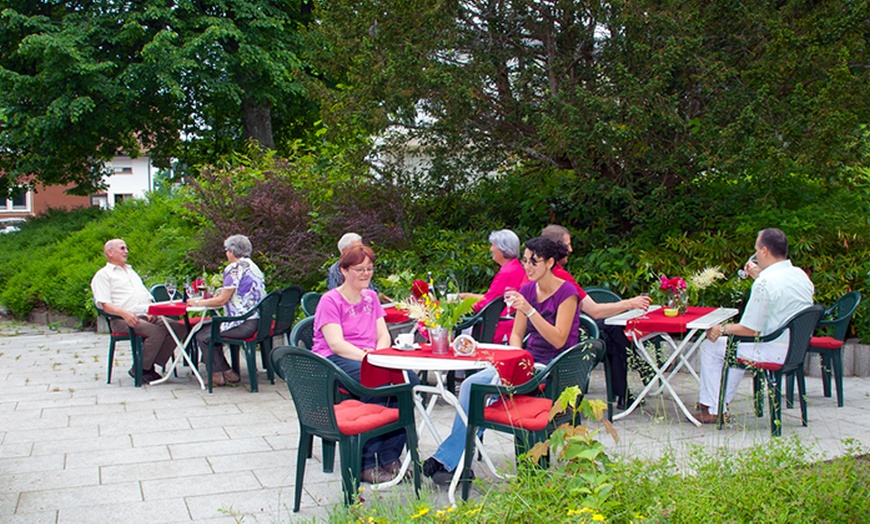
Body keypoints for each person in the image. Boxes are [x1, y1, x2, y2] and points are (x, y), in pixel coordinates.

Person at [423, 236, 580, 486]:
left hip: (554, 368)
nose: (527, 267)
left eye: (534, 262)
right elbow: (517, 334)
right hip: (527, 364)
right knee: (470, 385)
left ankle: (450, 461)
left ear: (550, 262)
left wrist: (530, 311)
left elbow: (559, 339)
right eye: (526, 260)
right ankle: (456, 461)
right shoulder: (528, 289)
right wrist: (517, 359)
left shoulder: (567, 293)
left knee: (485, 390)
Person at [312, 244, 418, 484]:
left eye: (369, 269)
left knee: (409, 380)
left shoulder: (371, 297)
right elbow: (336, 344)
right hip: (336, 359)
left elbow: (384, 335)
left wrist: (379, 356)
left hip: (369, 357)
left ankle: (390, 456)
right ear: (344, 270)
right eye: (359, 269)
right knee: (378, 383)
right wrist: (369, 359)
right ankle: (365, 462)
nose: (365, 274)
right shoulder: (330, 300)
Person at [694, 228, 814, 423]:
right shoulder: (800, 275)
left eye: (756, 250)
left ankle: (715, 408)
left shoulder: (765, 282)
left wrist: (721, 328)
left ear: (764, 251)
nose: (756, 254)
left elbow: (750, 330)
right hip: (796, 348)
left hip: (772, 349)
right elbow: (780, 297)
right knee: (732, 347)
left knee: (712, 346)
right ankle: (717, 404)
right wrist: (759, 276)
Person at [540, 225, 651, 409]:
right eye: (568, 245)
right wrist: (630, 303)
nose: (571, 249)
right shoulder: (559, 276)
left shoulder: (536, 270)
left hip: (546, 335)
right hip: (564, 339)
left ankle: (631, 386)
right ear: (556, 247)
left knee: (612, 334)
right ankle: (639, 376)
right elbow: (595, 311)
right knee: (612, 334)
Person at [91, 239, 187, 382]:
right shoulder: (103, 275)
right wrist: (124, 313)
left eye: (126, 248)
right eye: (122, 248)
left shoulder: (130, 271)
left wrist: (151, 310)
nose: (126, 251)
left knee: (179, 328)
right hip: (122, 319)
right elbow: (104, 304)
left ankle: (148, 365)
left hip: (145, 314)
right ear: (110, 253)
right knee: (156, 332)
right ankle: (141, 369)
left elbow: (146, 295)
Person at [188, 235, 267, 387]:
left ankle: (218, 374)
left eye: (226, 250)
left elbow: (221, 301)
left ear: (232, 251)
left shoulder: (234, 267)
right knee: (209, 329)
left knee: (203, 335)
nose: (226, 254)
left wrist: (197, 302)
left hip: (243, 323)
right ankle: (227, 372)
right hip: (257, 320)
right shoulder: (253, 266)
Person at [458, 229, 528, 343]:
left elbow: (487, 303)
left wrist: (462, 305)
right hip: (507, 321)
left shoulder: (507, 272)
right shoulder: (516, 268)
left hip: (497, 326)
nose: (491, 249)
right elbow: (492, 297)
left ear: (502, 248)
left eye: (493, 245)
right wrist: (466, 296)